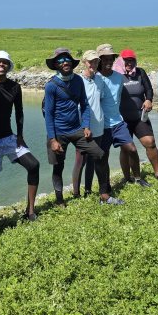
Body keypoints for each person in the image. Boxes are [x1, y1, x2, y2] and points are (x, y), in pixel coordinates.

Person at [43, 48, 118, 206]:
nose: (65, 63)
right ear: (56, 65)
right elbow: (49, 114)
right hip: (57, 133)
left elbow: (84, 105)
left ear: (72, 62)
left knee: (99, 154)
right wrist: (52, 139)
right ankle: (59, 200)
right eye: (61, 61)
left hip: (76, 129)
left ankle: (104, 195)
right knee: (58, 167)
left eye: (67, 59)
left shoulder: (77, 80)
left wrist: (86, 126)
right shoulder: (51, 86)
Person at [0, 50, 41, 221]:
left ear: (9, 66)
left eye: (4, 62)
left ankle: (30, 211)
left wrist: (20, 136)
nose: (1, 65)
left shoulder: (15, 87)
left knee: (34, 165)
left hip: (9, 139)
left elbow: (19, 113)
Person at [96, 43, 144, 189]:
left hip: (118, 122)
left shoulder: (118, 77)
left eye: (111, 59)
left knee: (132, 149)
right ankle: (106, 186)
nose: (108, 62)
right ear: (99, 61)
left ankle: (137, 178)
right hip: (102, 125)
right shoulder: (95, 78)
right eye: (105, 59)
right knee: (103, 156)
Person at [118, 49, 158, 182]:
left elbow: (149, 89)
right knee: (126, 149)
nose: (129, 63)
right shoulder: (116, 75)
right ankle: (127, 178)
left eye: (132, 60)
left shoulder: (140, 72)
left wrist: (148, 99)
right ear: (121, 61)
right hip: (122, 119)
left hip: (140, 116)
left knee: (150, 142)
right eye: (126, 60)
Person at [71, 50, 105, 197]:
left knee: (93, 159)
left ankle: (88, 190)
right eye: (90, 61)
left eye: (96, 61)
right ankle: (76, 192)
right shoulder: (78, 80)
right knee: (80, 161)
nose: (93, 64)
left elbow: (100, 100)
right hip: (82, 127)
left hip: (98, 126)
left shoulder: (100, 80)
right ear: (84, 62)